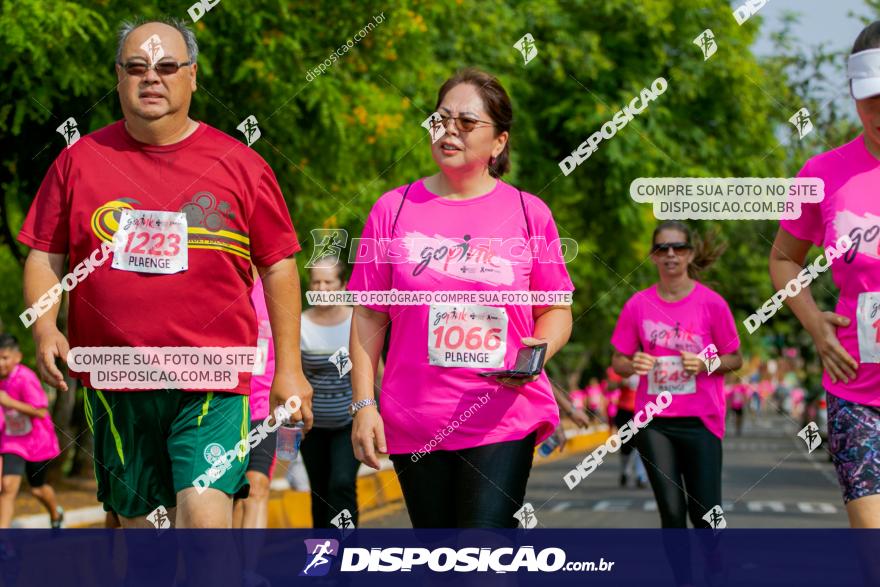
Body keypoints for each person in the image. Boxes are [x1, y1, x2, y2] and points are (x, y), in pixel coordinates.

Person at [18, 18, 312, 528]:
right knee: (142, 535)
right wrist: (45, 326)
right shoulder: (79, 162)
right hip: (116, 380)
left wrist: (288, 368)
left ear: (192, 76)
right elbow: (46, 255)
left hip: (213, 380)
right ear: (118, 78)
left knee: (203, 513)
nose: (151, 78)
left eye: (166, 66)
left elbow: (280, 264)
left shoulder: (240, 163)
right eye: (136, 68)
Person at [348, 68, 574, 528]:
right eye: (441, 118)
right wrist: (363, 405)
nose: (449, 130)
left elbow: (555, 309)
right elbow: (369, 316)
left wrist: (540, 348)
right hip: (415, 417)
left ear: (498, 142)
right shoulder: (392, 210)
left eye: (467, 123)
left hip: (502, 412)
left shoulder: (530, 213)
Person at [768, 19, 880, 529]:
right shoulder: (821, 174)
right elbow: (784, 258)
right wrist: (813, 321)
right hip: (856, 389)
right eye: (869, 96)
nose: (879, 111)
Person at [611, 221, 742, 529]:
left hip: (701, 421)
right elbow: (618, 360)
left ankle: (714, 572)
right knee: (671, 513)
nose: (670, 254)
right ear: (653, 256)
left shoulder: (712, 304)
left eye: (678, 247)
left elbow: (735, 358)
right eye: (662, 248)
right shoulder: (637, 305)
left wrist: (704, 364)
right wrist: (633, 364)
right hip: (655, 423)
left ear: (689, 254)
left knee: (705, 515)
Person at [299, 258, 361, 528]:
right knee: (320, 492)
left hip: (348, 424)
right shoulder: (299, 324)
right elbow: (293, 376)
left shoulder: (357, 321)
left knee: (341, 484)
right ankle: (323, 558)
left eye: (328, 282)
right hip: (311, 427)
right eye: (316, 282)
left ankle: (347, 556)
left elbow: (375, 372)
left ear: (343, 285)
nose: (321, 288)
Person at [0, 334, 64, 528]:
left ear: (17, 357)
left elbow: (41, 411)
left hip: (37, 441)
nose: (0, 363)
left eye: (4, 357)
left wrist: (10, 402)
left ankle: (55, 514)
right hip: (13, 441)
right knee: (8, 486)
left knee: (37, 489)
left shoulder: (25, 378)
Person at [233, 275, 278, 529]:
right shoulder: (226, 280)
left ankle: (249, 568)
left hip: (264, 405)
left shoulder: (275, 283)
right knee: (230, 494)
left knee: (257, 485)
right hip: (226, 403)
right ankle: (229, 565)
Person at [606, 368, 647, 488]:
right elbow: (609, 386)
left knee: (643, 443)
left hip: (644, 410)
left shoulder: (650, 360)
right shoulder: (621, 363)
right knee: (627, 446)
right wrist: (622, 382)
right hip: (625, 411)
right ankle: (625, 471)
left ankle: (641, 476)